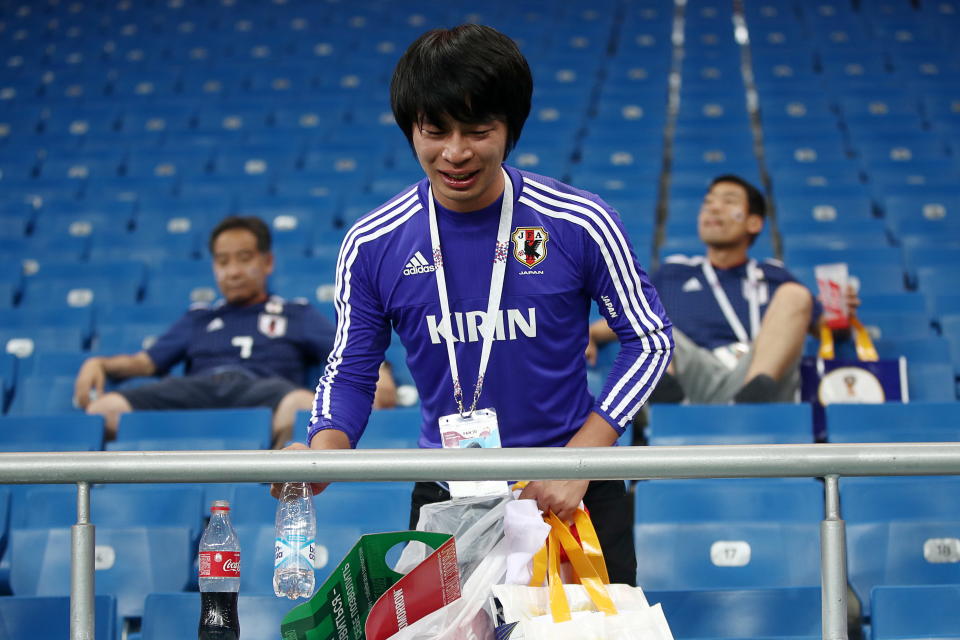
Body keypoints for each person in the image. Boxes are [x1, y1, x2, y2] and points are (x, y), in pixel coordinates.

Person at [277, 24, 674, 586]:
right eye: (434, 131)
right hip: (447, 491)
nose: (455, 153)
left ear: (510, 129)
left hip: (571, 489)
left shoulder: (578, 221)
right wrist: (322, 455)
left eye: (478, 131)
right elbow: (351, 367)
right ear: (410, 129)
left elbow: (649, 341)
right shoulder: (373, 243)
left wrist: (582, 458)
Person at [74, 215, 397, 447]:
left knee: (302, 405)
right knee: (103, 410)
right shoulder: (199, 317)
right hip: (197, 391)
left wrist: (381, 377)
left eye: (244, 259)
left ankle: (272, 493)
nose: (233, 272)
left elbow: (348, 353)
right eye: (223, 262)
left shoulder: (294, 312)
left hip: (263, 390)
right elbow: (145, 363)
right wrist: (98, 364)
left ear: (267, 262)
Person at [588, 174, 859, 405]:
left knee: (795, 295)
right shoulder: (674, 271)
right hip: (692, 379)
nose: (713, 209)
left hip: (757, 374)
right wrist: (588, 333)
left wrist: (841, 311)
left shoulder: (774, 273)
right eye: (707, 203)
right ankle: (667, 400)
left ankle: (753, 399)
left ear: (754, 222)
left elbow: (827, 327)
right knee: (657, 328)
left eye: (728, 202)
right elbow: (633, 319)